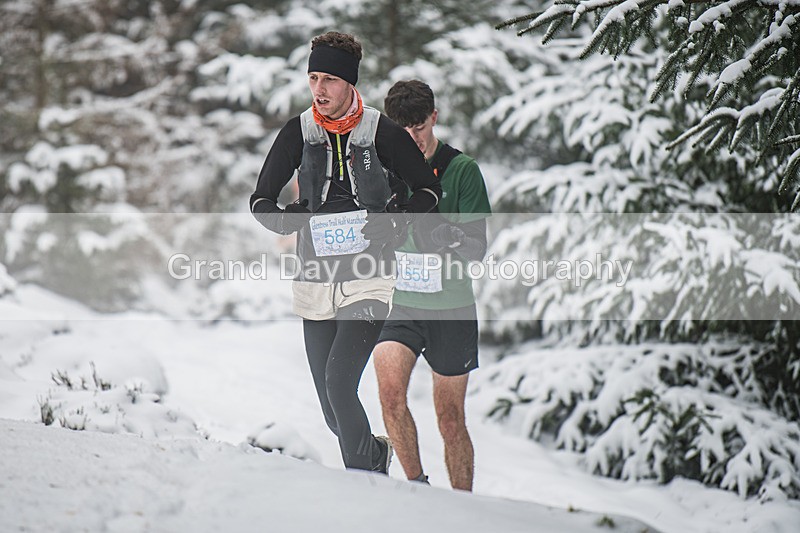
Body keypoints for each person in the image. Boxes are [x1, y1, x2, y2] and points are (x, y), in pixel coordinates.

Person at [249, 34, 441, 474]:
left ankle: (365, 485)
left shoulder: (382, 131)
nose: (320, 89)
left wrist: (396, 218)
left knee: (340, 384)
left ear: (349, 82)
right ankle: (376, 455)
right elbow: (260, 201)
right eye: (314, 77)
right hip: (315, 279)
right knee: (332, 410)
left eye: (330, 79)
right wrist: (287, 219)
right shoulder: (298, 131)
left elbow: (429, 190)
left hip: (369, 278)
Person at [373, 80, 491, 491]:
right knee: (389, 394)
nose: (413, 139)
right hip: (402, 305)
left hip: (451, 310)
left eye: (419, 128)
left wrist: (449, 236)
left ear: (434, 119)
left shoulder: (462, 170)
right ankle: (415, 488)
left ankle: (463, 505)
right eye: (402, 132)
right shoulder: (385, 173)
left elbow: (477, 249)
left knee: (450, 418)